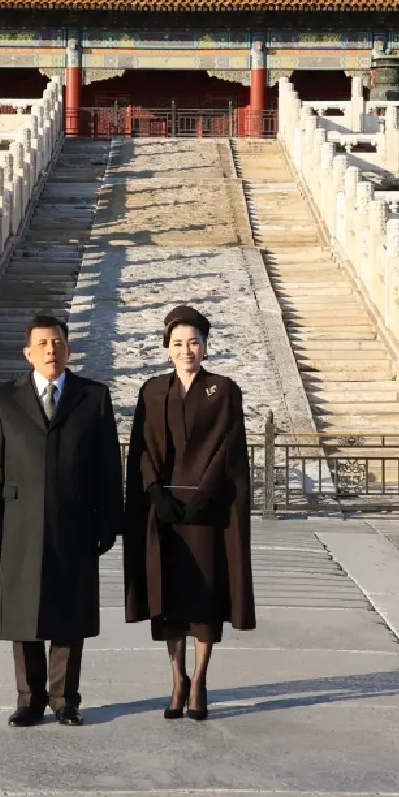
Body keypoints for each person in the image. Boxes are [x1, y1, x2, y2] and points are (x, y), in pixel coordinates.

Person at [0, 314, 123, 727]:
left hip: (74, 520)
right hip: (19, 521)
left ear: (68, 349)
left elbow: (108, 465)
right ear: (28, 353)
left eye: (57, 342)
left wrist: (108, 521)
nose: (50, 350)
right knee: (24, 614)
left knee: (69, 611)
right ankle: (29, 698)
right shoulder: (4, 398)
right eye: (42, 344)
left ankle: (64, 699)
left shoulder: (92, 397)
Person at [123, 305, 256, 721]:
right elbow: (142, 449)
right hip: (164, 510)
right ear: (166, 349)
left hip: (206, 511)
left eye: (193, 342)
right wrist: (153, 494)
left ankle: (199, 679)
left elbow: (228, 448)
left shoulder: (224, 389)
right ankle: (176, 678)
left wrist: (204, 495)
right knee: (170, 600)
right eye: (178, 343)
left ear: (205, 346)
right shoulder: (152, 391)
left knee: (203, 598)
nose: (186, 350)